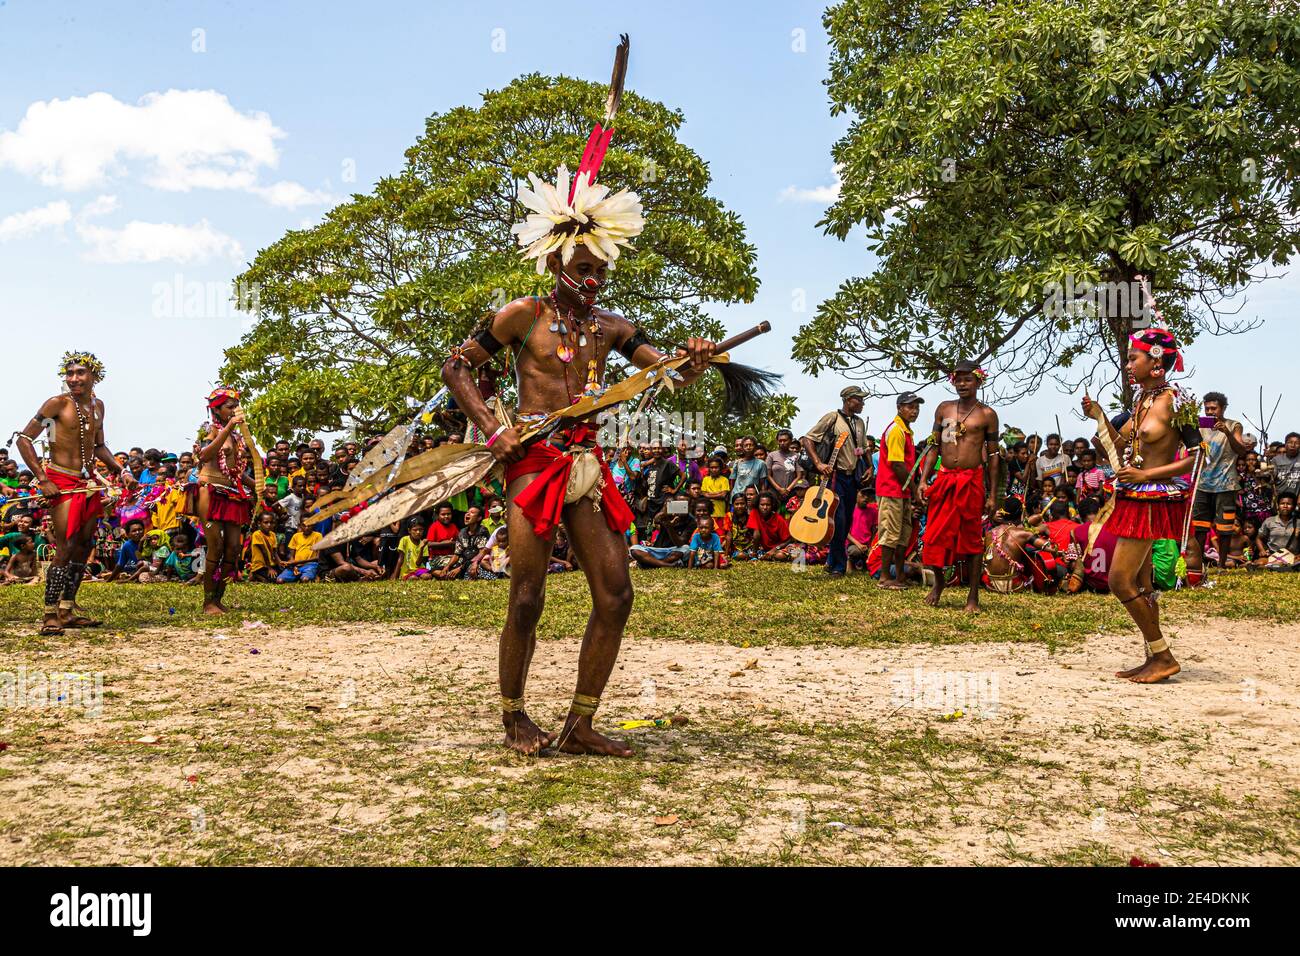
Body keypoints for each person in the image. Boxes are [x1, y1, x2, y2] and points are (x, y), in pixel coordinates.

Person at [440, 79, 722, 755]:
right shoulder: (522, 316)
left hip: (587, 465)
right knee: (528, 597)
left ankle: (580, 722)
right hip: (532, 461)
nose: (593, 280)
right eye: (582, 267)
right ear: (556, 259)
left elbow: (669, 373)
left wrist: (696, 358)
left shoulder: (613, 327)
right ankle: (514, 717)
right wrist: (493, 427)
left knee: (616, 592)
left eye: (601, 270)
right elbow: (456, 367)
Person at [1082, 327, 1199, 682]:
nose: (1128, 364)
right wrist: (1100, 417)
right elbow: (1121, 445)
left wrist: (1147, 476)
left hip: (1152, 496)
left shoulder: (1177, 401)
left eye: (1134, 358)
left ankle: (1163, 656)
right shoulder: (1142, 400)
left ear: (1156, 361)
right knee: (1143, 583)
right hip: (1134, 495)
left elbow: (1195, 458)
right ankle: (1153, 656)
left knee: (1120, 580)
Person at [12, 350, 138, 634]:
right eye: (69, 374)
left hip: (88, 483)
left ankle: (67, 609)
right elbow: (23, 440)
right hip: (62, 480)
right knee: (65, 546)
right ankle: (49, 615)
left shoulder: (98, 406)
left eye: (80, 373)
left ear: (94, 377)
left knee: (83, 545)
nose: (73, 379)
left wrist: (122, 471)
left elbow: (99, 447)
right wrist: (43, 479)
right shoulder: (57, 404)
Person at [919, 361, 999, 612]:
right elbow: (934, 446)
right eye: (958, 380)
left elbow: (993, 455)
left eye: (968, 380)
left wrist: (993, 493)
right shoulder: (944, 410)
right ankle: (939, 583)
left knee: (971, 540)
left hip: (971, 482)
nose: (962, 385)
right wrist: (924, 479)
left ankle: (973, 596)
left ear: (978, 381)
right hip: (944, 480)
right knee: (934, 536)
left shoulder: (986, 414)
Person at [184, 388, 257, 613]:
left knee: (234, 547)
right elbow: (205, 456)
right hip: (210, 491)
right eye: (229, 407)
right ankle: (208, 603)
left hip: (232, 493)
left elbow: (235, 471)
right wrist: (228, 427)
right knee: (215, 545)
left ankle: (218, 599)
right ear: (216, 409)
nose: (235, 411)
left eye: (236, 406)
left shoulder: (237, 437)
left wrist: (257, 487)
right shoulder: (210, 429)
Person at [801, 385, 870, 576]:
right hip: (835, 476)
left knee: (847, 520)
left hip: (853, 476)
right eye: (859, 399)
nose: (863, 403)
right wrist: (819, 463)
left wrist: (869, 466)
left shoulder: (860, 422)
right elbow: (808, 439)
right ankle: (839, 566)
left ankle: (832, 561)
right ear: (848, 400)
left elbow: (864, 447)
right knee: (837, 520)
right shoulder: (832, 418)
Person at [1187, 391, 1253, 575]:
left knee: (1225, 528)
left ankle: (1222, 566)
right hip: (1203, 483)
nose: (1210, 412)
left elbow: (1241, 450)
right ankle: (1198, 565)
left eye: (1213, 408)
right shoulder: (1199, 426)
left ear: (1223, 408)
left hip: (1226, 484)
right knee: (1200, 527)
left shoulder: (1234, 425)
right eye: (1207, 408)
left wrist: (1227, 432)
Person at [875, 392, 924, 589]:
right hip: (891, 489)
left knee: (903, 532)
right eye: (910, 407)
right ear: (899, 408)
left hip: (901, 490)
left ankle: (899, 576)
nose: (914, 411)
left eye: (917, 407)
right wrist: (913, 490)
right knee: (890, 533)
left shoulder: (907, 431)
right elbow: (896, 464)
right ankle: (885, 576)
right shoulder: (896, 430)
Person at [1258, 491, 1300, 567]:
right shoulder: (1269, 521)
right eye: (1282, 503)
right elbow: (1259, 538)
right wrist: (1262, 550)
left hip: (1293, 557)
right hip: (1273, 556)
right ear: (1278, 506)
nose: (1285, 506)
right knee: (1260, 563)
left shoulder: (1298, 523)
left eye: (1288, 504)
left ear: (1293, 506)